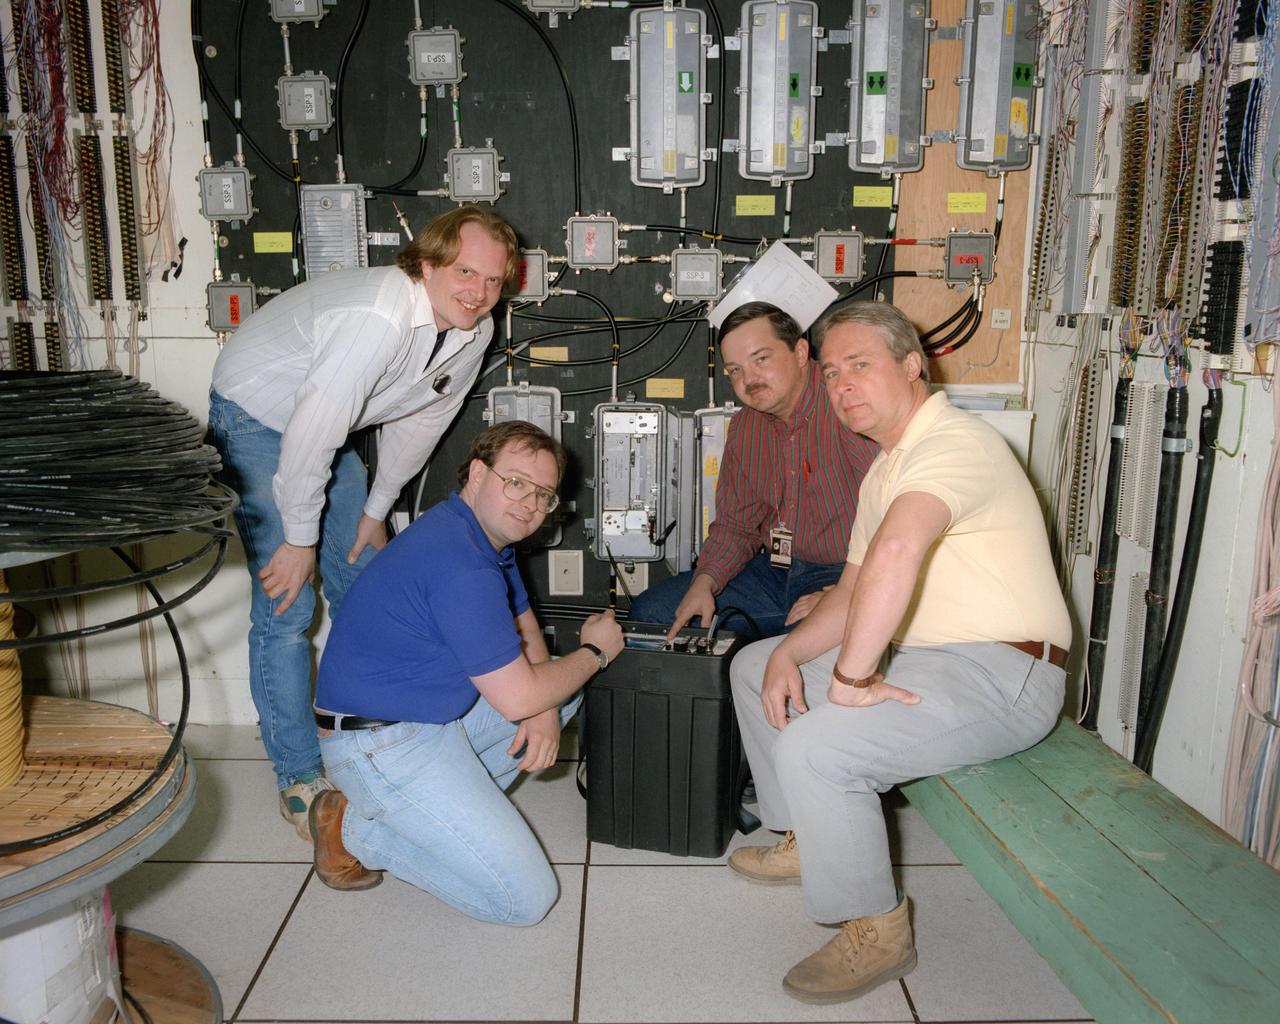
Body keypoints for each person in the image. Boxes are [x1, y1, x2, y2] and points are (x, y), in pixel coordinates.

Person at [726, 302, 1071, 1004]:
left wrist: (852, 676)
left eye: (862, 365)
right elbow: (853, 589)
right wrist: (791, 651)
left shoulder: (953, 444)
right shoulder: (889, 466)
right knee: (755, 666)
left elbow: (897, 550)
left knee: (820, 747)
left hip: (1007, 672)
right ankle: (806, 839)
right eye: (832, 373)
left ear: (913, 367)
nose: (843, 385)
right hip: (932, 659)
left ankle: (880, 932)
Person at [206, 205, 518, 840]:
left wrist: (375, 510)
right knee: (287, 605)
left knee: (364, 578)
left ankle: (388, 736)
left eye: (492, 280)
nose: (479, 293)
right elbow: (311, 432)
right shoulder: (377, 317)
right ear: (426, 264)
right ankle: (299, 776)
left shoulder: (472, 329)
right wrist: (298, 540)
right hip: (257, 415)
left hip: (324, 428)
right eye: (464, 272)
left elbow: (421, 420)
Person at [308, 421, 624, 925]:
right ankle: (354, 831)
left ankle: (440, 812)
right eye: (516, 482)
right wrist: (596, 652)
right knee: (525, 900)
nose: (529, 504)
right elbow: (519, 696)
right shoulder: (462, 565)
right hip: (379, 747)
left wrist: (542, 706)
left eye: (543, 495)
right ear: (478, 474)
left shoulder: (475, 534)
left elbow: (524, 623)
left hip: (424, 720)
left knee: (560, 695)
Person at [627, 301, 877, 640]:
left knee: (813, 644)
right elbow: (736, 525)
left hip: (849, 572)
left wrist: (844, 593)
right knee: (652, 615)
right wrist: (705, 582)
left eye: (761, 359)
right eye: (735, 370)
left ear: (801, 352)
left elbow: (898, 524)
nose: (749, 380)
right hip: (777, 570)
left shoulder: (850, 404)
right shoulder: (745, 428)